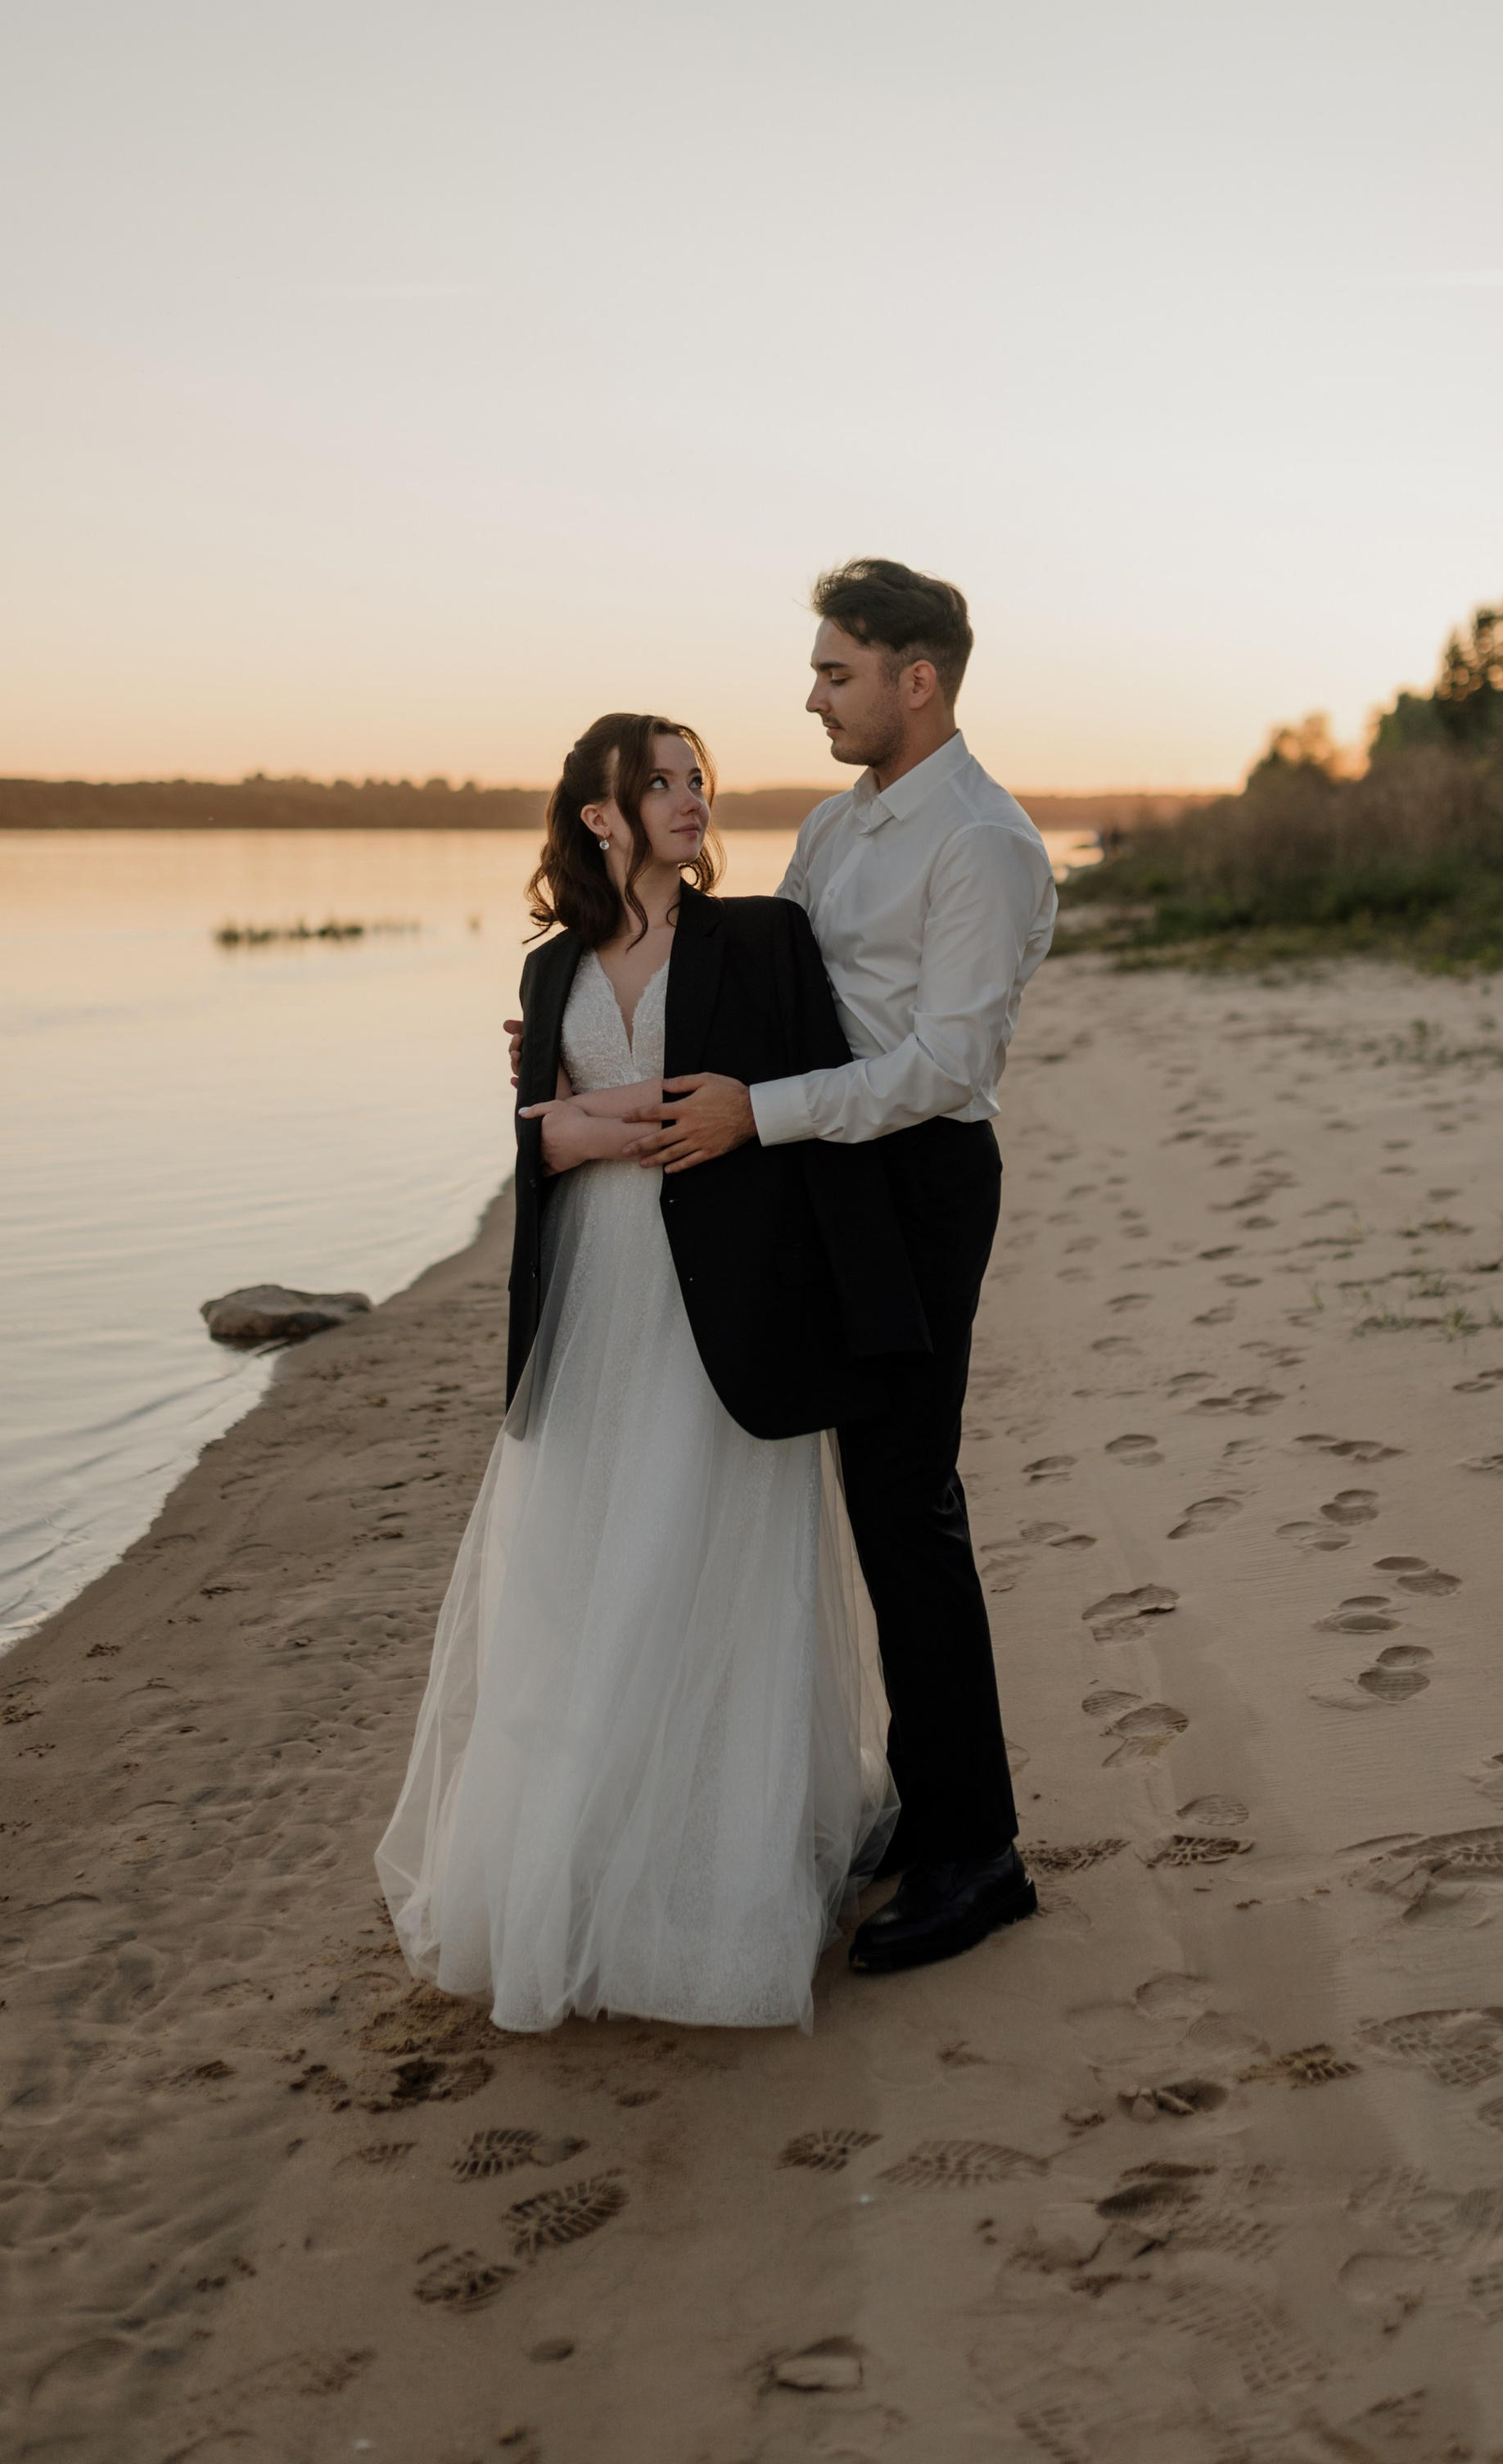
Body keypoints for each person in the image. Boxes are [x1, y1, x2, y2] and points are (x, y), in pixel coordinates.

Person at [375, 712, 927, 2033]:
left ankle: (716, 1892)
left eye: (698, 781)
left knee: (709, 1570)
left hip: (726, 1307)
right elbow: (537, 1142)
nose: (690, 800)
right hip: (592, 1303)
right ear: (600, 817)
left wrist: (589, 1119)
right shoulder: (553, 966)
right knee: (585, 1575)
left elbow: (806, 1103)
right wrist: (561, 1130)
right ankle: (583, 1877)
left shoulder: (763, 940)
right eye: (661, 783)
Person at [622, 560, 1056, 1975]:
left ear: (914, 679)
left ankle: (981, 1854)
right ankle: (930, 1798)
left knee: (907, 1502)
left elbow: (946, 1067)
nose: (811, 696)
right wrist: (584, 1027)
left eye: (834, 672)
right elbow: (758, 972)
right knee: (868, 1502)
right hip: (823, 1173)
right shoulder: (833, 823)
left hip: (920, 1185)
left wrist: (761, 1113)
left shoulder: (982, 843)